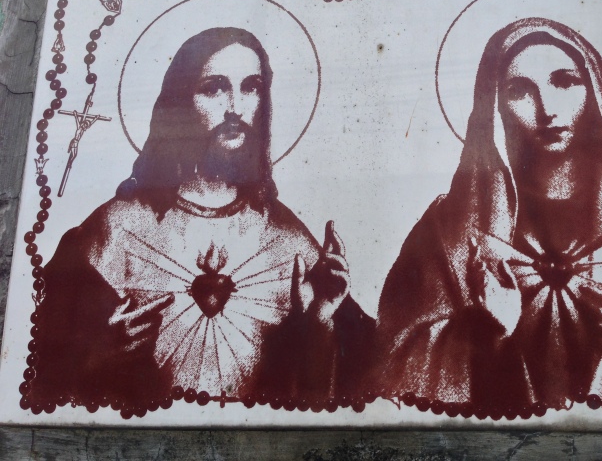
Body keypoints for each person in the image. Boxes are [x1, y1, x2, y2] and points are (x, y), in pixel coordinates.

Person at [375, 17, 602, 417]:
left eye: (565, 82)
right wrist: (482, 332)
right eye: (520, 90)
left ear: (596, 94)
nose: (547, 109)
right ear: (493, 106)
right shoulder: (448, 233)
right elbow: (392, 369)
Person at [26, 27, 374, 417]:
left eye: (251, 87)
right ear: (180, 103)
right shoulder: (116, 229)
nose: (235, 107)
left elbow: (360, 382)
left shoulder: (287, 237)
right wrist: (100, 355)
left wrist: (320, 323)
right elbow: (40, 370)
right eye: (214, 88)